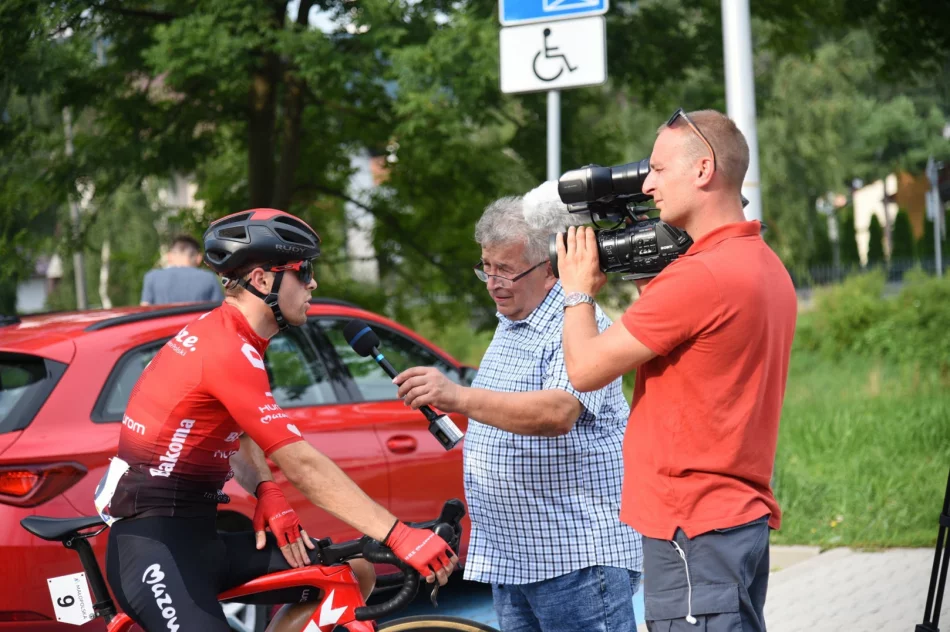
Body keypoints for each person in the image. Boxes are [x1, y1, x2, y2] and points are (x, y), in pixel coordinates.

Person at [96, 209, 457, 632]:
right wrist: (399, 535)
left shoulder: (236, 338)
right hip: (153, 549)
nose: (313, 283)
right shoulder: (226, 350)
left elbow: (236, 426)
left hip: (199, 539)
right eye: (303, 271)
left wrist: (266, 487)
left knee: (355, 571)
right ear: (264, 281)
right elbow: (303, 465)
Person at [555, 109, 798, 632]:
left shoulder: (700, 278)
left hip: (694, 526)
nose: (647, 183)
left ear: (704, 169)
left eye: (660, 170)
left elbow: (585, 369)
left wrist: (577, 289)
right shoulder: (760, 263)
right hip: (733, 521)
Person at [392, 196, 642, 632]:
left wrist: (457, 396)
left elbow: (558, 411)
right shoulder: (511, 320)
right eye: (486, 267)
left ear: (551, 268)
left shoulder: (579, 323)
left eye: (506, 270)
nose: (492, 283)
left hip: (576, 560)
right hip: (515, 560)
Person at [140, 234, 224, 305]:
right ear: (199, 258)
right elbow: (219, 311)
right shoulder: (209, 278)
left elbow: (144, 310)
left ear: (169, 256)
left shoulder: (152, 277)